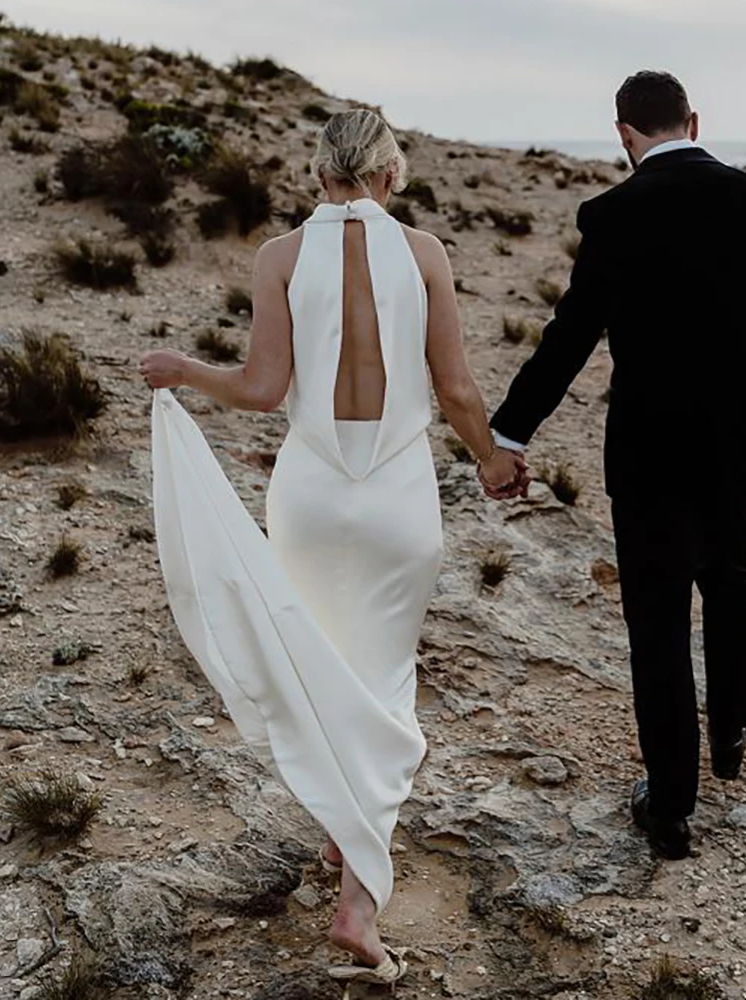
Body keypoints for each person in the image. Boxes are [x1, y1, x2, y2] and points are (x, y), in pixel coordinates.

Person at [140, 109, 527, 985]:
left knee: (322, 661)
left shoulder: (279, 257)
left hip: (311, 494)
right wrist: (492, 460)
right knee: (383, 682)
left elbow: (264, 388)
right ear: (391, 174)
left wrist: (185, 371)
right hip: (396, 495)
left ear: (318, 176)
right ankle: (357, 899)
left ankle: (340, 824)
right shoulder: (425, 254)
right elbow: (459, 389)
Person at [481, 70, 746, 859]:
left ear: (624, 135)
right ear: (694, 121)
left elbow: (570, 335)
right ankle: (732, 729)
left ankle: (671, 806)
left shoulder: (613, 213)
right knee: (732, 569)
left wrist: (511, 432)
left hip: (652, 449)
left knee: (659, 619)